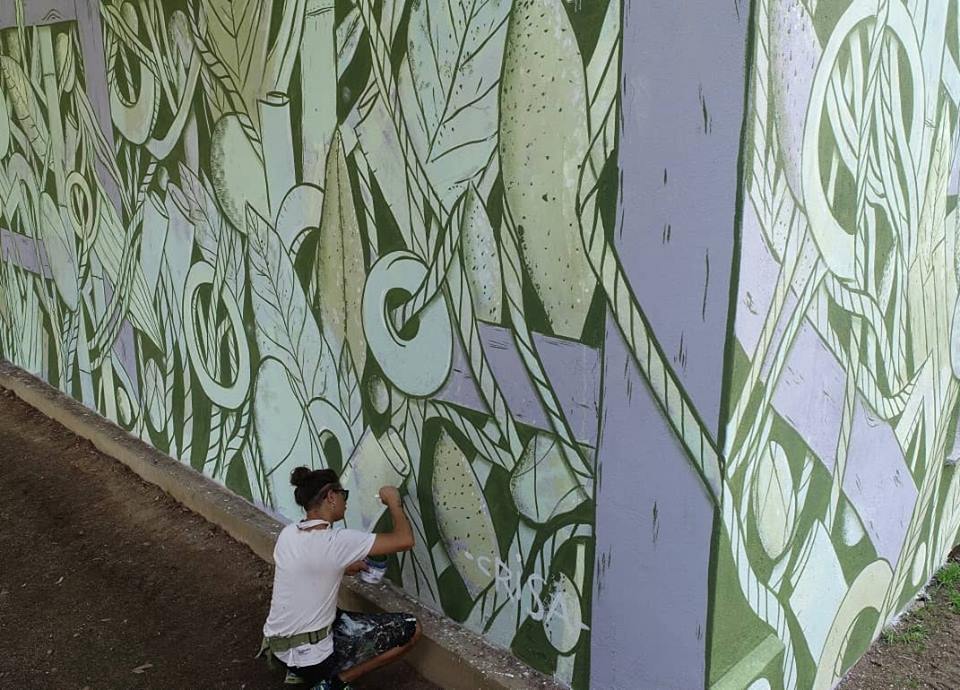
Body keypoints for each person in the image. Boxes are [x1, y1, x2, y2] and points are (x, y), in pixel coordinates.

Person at [259, 467, 421, 689]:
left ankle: (297, 672)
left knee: (331, 615)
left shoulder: (289, 534)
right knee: (412, 628)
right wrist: (394, 502)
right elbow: (405, 540)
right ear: (331, 497)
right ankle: (334, 682)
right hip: (313, 660)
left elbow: (306, 566)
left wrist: (343, 567)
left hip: (277, 646)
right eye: (343, 495)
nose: (346, 502)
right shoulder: (337, 541)